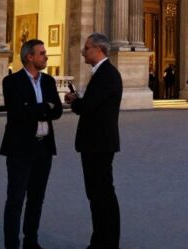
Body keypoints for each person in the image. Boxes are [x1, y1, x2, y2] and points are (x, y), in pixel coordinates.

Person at [0, 39, 63, 249]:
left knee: (37, 198)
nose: (46, 56)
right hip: (19, 148)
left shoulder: (48, 81)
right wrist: (45, 106)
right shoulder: (11, 82)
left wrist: (36, 108)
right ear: (30, 57)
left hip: (44, 146)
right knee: (15, 200)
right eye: (42, 53)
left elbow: (58, 111)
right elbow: (17, 113)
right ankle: (11, 244)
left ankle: (31, 241)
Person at [66, 33, 123, 249]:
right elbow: (93, 104)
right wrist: (80, 102)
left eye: (87, 48)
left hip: (98, 144)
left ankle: (106, 243)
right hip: (97, 143)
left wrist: (76, 103)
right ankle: (101, 240)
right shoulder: (103, 73)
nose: (83, 51)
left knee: (102, 195)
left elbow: (88, 107)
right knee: (98, 195)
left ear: (99, 49)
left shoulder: (106, 74)